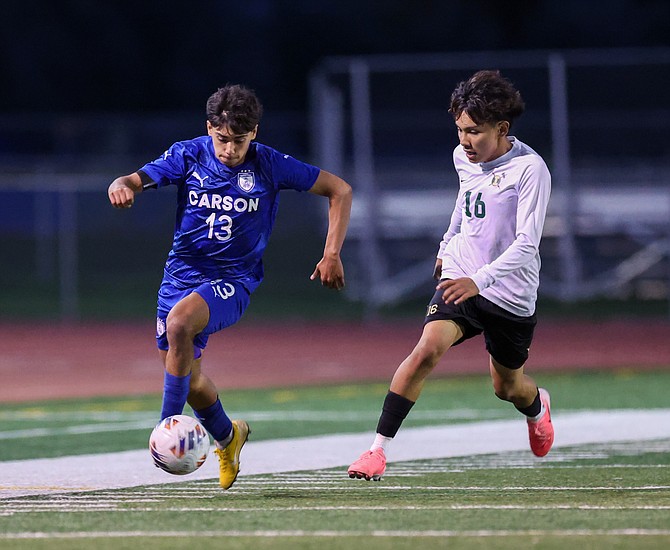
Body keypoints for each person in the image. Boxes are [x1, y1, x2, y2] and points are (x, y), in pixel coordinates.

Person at [108, 84, 352, 490]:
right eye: (222, 139)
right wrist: (122, 184)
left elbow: (339, 190)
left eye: (239, 141)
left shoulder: (270, 164)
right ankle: (228, 437)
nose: (229, 150)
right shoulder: (188, 154)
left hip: (232, 281)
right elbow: (134, 178)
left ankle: (165, 429)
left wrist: (331, 253)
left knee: (181, 324)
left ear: (253, 132)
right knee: (192, 378)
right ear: (210, 129)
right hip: (179, 277)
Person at [348, 70, 553, 481]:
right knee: (426, 349)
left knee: (507, 387)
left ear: (502, 128)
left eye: (474, 131)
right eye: (459, 129)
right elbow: (464, 202)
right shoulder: (464, 157)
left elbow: (527, 244)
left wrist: (481, 281)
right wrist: (446, 247)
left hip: (509, 293)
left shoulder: (530, 170)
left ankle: (537, 407)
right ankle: (376, 451)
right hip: (461, 276)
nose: (464, 141)